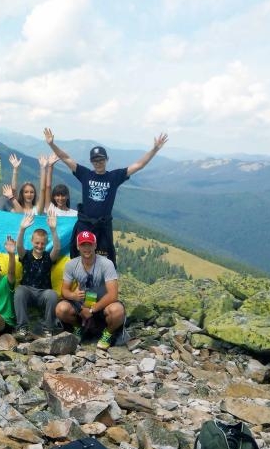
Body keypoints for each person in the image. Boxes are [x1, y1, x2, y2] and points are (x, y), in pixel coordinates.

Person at [44, 128, 168, 264]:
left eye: (101, 160)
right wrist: (51, 144)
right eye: (95, 160)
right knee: (80, 257)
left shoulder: (114, 177)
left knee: (104, 261)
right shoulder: (85, 174)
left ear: (106, 159)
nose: (98, 163)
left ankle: (101, 283)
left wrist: (155, 149)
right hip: (85, 223)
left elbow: (139, 165)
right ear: (91, 162)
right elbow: (65, 158)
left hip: (103, 226)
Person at [55, 230, 126, 350]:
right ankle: (78, 328)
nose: (86, 248)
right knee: (61, 309)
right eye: (83, 245)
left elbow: (113, 295)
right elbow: (64, 291)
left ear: (95, 245)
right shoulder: (71, 265)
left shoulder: (106, 264)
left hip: (102, 305)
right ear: (78, 246)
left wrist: (92, 310)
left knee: (118, 311)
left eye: (89, 244)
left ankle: (107, 334)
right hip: (82, 305)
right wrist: (74, 297)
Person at [13, 209, 60, 340]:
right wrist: (22, 229)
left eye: (42, 243)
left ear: (46, 244)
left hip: (43, 293)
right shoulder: (26, 255)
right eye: (37, 243)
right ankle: (22, 327)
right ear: (32, 241)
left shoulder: (48, 257)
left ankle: (48, 329)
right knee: (19, 291)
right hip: (27, 290)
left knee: (52, 294)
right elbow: (19, 247)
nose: (39, 246)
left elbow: (57, 249)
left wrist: (53, 230)